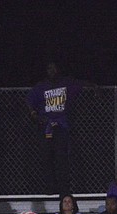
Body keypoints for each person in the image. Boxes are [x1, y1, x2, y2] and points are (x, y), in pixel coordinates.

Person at [26, 61, 93, 195]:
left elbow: (81, 84)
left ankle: (64, 188)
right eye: (49, 68)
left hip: (62, 127)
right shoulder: (41, 87)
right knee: (47, 157)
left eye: (54, 68)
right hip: (47, 127)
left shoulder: (66, 83)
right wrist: (35, 115)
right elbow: (30, 102)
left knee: (62, 158)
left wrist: (94, 87)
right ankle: (50, 188)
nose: (51, 71)